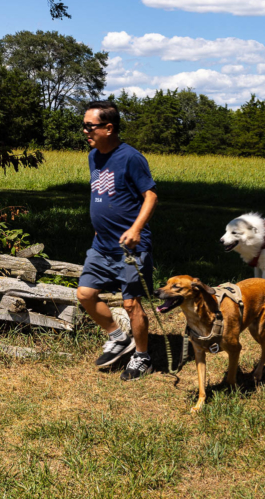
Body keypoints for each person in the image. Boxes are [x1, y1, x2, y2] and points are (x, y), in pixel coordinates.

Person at [77, 100, 158, 380]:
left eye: (90, 126)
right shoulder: (94, 155)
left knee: (131, 304)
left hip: (130, 245)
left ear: (109, 127)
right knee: (85, 295)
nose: (85, 131)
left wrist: (136, 229)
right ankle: (118, 335)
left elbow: (151, 196)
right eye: (84, 126)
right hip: (102, 243)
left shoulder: (131, 157)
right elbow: (102, 195)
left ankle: (143, 356)